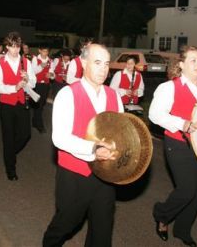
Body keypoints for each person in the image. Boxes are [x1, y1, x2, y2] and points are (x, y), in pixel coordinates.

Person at [43, 44, 124, 247]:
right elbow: (59, 138)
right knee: (66, 224)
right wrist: (94, 149)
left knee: (102, 231)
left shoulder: (114, 96)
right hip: (74, 174)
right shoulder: (67, 94)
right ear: (84, 63)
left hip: (105, 176)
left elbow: (121, 133)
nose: (103, 69)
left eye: (106, 64)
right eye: (97, 63)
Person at [149, 46, 197, 247]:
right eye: (193, 60)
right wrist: (182, 124)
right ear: (181, 64)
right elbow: (155, 114)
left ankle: (183, 230)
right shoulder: (169, 88)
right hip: (178, 144)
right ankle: (162, 214)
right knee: (187, 190)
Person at [0, 32, 36, 181]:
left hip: (22, 103)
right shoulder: (0, 63)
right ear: (7, 47)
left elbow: (33, 83)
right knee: (8, 137)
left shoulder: (26, 62)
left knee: (26, 135)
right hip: (7, 105)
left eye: (17, 46)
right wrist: (15, 87)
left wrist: (28, 79)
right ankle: (10, 169)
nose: (16, 49)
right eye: (12, 46)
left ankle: (9, 153)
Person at [31, 46, 52, 133]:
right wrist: (41, 66)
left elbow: (52, 71)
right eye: (44, 51)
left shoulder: (50, 60)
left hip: (46, 84)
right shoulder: (35, 59)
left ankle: (35, 120)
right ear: (39, 50)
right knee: (39, 104)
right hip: (37, 84)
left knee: (41, 104)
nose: (45, 53)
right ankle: (40, 125)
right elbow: (32, 71)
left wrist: (51, 75)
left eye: (47, 51)